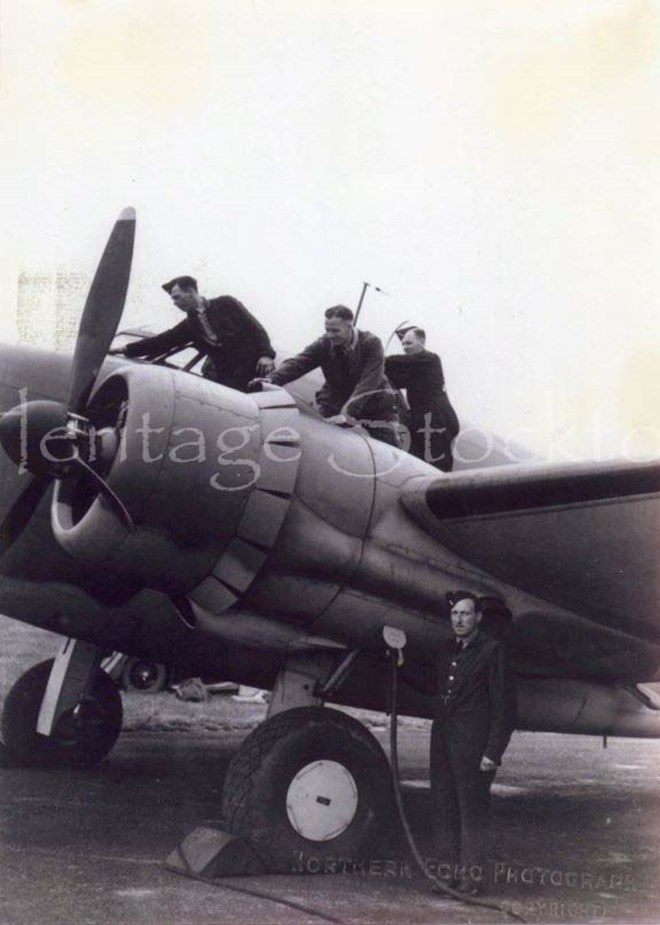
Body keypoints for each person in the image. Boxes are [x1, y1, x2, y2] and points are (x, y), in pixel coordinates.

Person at [405, 591, 516, 895]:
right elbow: (432, 685)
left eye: (466, 614)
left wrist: (493, 751)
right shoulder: (446, 650)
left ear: (479, 617)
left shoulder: (493, 651)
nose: (459, 620)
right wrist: (400, 660)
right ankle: (446, 877)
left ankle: (471, 881)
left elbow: (505, 707)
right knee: (443, 808)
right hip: (442, 743)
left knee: (472, 813)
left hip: (474, 746)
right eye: (455, 614)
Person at [251, 305, 401, 447]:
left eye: (335, 331)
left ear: (349, 326)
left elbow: (369, 381)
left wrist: (347, 413)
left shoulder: (371, 343)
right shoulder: (324, 344)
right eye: (327, 330)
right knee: (318, 441)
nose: (330, 335)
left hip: (376, 404)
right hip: (335, 401)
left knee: (392, 451)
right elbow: (299, 363)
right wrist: (272, 379)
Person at [111, 276, 275, 392]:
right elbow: (162, 341)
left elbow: (255, 328)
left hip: (256, 370)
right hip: (228, 381)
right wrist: (124, 349)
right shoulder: (190, 325)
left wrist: (266, 354)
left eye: (177, 298)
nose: (175, 303)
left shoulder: (226, 303)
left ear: (190, 292)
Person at [384, 326, 459, 471]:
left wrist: (375, 358)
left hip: (437, 418)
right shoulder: (416, 370)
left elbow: (399, 362)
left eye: (409, 343)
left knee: (437, 466)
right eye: (403, 344)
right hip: (421, 419)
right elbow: (395, 378)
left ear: (422, 342)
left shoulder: (430, 359)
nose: (405, 347)